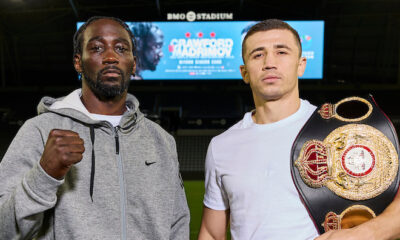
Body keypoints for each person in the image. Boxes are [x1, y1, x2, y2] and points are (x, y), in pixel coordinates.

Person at [198, 19, 400, 240]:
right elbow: (211, 232)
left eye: (281, 52)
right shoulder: (222, 146)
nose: (269, 63)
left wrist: (368, 232)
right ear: (244, 72)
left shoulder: (341, 130)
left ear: (301, 64)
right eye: (258, 55)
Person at [0, 16, 189, 239]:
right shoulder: (40, 131)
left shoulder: (161, 140)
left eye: (121, 48)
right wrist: (45, 174)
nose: (111, 57)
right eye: (97, 48)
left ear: (134, 63)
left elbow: (178, 223)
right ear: (78, 62)